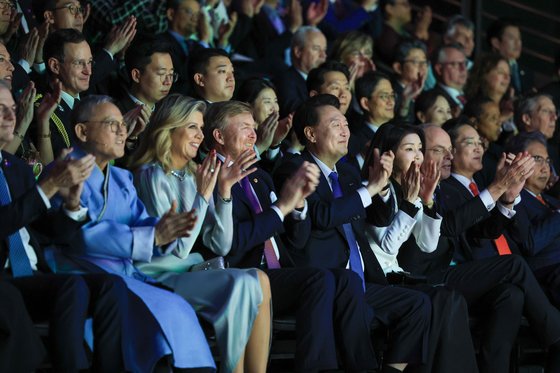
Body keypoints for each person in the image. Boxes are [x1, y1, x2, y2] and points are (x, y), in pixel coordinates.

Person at [204, 99, 378, 373]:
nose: (254, 134)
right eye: (245, 128)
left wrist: (298, 208)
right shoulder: (210, 177)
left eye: (254, 127)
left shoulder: (260, 176)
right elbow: (233, 243)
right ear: (219, 135)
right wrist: (281, 207)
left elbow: (295, 240)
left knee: (346, 279)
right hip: (244, 274)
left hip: (280, 272)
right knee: (318, 278)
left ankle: (363, 368)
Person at [49, 94, 216, 372]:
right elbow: (80, 232)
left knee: (175, 310)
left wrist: (162, 230)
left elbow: (140, 221)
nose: (122, 131)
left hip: (125, 274)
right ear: (82, 131)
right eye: (111, 124)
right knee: (163, 314)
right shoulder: (64, 172)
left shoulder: (120, 178)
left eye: (122, 125)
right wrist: (153, 237)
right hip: (84, 273)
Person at [274, 94, 431, 373]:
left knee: (417, 304)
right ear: (310, 133)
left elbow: (376, 218)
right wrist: (369, 189)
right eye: (336, 125)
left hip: (361, 281)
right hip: (325, 284)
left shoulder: (345, 174)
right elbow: (322, 216)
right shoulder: (295, 168)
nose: (346, 131)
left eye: (346, 124)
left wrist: (382, 188)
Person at [129, 94, 271, 373]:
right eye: (192, 127)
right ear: (170, 129)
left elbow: (221, 244)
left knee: (258, 278)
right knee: (242, 284)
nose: (199, 135)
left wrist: (225, 192)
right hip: (160, 275)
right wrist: (204, 196)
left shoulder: (197, 173)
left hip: (194, 271)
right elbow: (177, 248)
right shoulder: (151, 174)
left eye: (200, 127)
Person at [0, 81, 130, 373]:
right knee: (71, 284)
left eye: (12, 109)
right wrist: (46, 188)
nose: (11, 117)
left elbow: (45, 232)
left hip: (30, 277)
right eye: (1, 110)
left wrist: (72, 205)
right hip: (4, 280)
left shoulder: (15, 167)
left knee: (110, 285)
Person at [361, 122, 478, 373]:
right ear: (389, 154)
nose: (417, 155)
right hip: (379, 281)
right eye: (409, 148)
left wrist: (426, 201)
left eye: (420, 149)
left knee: (449, 297)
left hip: (401, 279)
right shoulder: (379, 188)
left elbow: (428, 244)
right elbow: (388, 248)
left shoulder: (409, 188)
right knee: (439, 298)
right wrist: (412, 203)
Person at [273, 26, 327, 118]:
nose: (323, 55)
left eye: (324, 50)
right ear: (298, 52)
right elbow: (299, 116)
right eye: (316, 49)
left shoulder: (321, 81)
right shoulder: (285, 82)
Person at [428, 43, 469, 116]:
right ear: (439, 69)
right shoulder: (433, 101)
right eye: (455, 64)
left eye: (465, 63)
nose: (463, 69)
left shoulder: (471, 95)